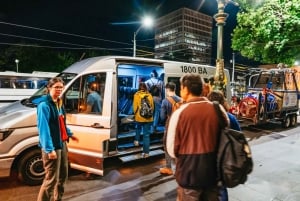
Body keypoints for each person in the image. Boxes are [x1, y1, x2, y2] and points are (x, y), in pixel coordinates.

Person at [166, 74, 229, 201]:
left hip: (189, 176)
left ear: (186, 90)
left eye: (181, 88)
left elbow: (171, 149)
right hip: (212, 174)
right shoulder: (218, 109)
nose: (180, 90)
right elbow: (226, 134)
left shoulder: (179, 113)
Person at [37, 77, 79, 201]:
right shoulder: (44, 105)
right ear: (49, 88)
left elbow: (61, 123)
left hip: (62, 144)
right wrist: (49, 150)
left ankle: (57, 199)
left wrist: (69, 134)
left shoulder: (59, 103)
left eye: (61, 87)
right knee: (51, 179)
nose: (59, 89)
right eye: (56, 87)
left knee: (63, 176)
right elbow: (44, 129)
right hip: (52, 147)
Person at [207, 90, 241, 201]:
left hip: (207, 158)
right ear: (222, 102)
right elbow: (239, 137)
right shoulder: (230, 117)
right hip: (225, 159)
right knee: (221, 188)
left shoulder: (206, 117)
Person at [159, 82, 181, 175]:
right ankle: (180, 168)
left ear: (167, 90)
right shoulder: (181, 99)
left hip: (170, 127)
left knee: (167, 145)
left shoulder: (165, 101)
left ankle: (169, 167)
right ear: (174, 89)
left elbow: (162, 117)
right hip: (180, 127)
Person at [133, 82, 154, 158]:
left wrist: (135, 115)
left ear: (139, 87)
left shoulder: (136, 95)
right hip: (148, 118)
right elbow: (152, 107)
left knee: (138, 129)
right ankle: (146, 153)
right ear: (146, 88)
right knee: (146, 135)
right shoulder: (150, 95)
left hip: (139, 117)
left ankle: (137, 141)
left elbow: (135, 107)